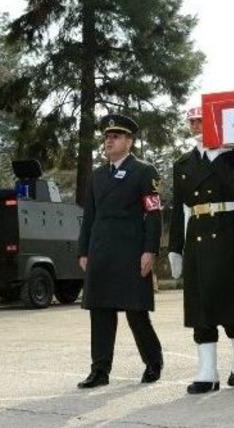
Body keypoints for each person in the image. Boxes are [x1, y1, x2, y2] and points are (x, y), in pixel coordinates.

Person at [169, 106, 234, 394]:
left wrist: (217, 154)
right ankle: (207, 371)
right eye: (192, 121)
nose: (196, 126)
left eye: (201, 121)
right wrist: (174, 248)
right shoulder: (183, 162)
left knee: (229, 301)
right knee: (199, 306)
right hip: (197, 234)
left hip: (228, 232)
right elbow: (180, 208)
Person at [77, 113, 164, 390]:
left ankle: (153, 362)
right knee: (100, 312)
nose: (109, 141)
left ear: (129, 141)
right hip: (101, 251)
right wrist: (84, 250)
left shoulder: (144, 171)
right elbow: (89, 216)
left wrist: (150, 249)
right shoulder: (98, 175)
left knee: (135, 311)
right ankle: (99, 370)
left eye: (115, 136)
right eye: (106, 137)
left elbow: (153, 213)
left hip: (131, 251)